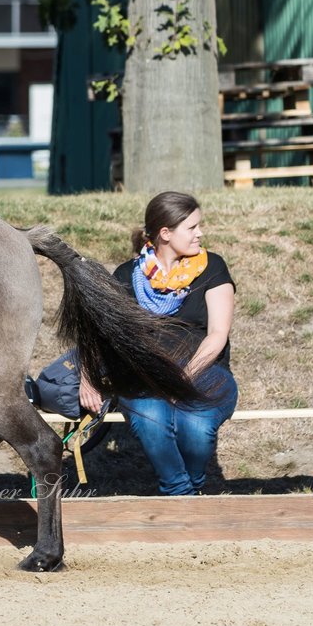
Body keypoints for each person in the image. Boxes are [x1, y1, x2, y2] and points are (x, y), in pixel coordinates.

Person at [80, 191, 238, 496]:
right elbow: (101, 333)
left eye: (198, 226)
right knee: (152, 419)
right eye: (191, 227)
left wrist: (182, 377)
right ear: (165, 233)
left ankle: (186, 490)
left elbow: (217, 334)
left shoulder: (212, 268)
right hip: (144, 373)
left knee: (195, 427)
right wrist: (86, 377)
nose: (200, 233)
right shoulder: (127, 275)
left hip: (204, 369)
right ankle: (182, 493)